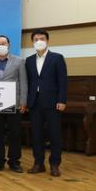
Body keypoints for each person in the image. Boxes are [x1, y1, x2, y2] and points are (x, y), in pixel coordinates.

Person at [25, 29, 67, 177]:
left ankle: (54, 164)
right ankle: (38, 163)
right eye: (36, 39)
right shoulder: (29, 60)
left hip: (52, 102)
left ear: (47, 41)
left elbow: (62, 80)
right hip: (34, 103)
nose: (39, 41)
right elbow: (28, 81)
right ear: (32, 42)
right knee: (36, 135)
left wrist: (62, 100)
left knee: (55, 134)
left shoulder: (57, 58)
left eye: (42, 38)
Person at [0, 35, 28, 173]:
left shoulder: (19, 61)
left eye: (3, 43)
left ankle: (14, 162)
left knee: (15, 134)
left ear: (8, 44)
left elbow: (23, 82)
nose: (1, 46)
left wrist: (23, 102)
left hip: (14, 104)